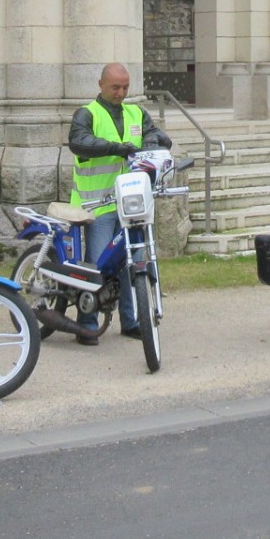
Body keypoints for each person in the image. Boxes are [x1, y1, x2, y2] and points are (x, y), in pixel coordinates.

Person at [67, 62, 171, 343]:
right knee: (97, 265)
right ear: (101, 84)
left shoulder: (136, 112)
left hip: (131, 204)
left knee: (133, 264)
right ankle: (87, 323)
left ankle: (131, 320)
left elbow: (156, 134)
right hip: (97, 204)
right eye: (115, 87)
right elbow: (78, 141)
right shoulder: (87, 113)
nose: (121, 92)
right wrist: (115, 148)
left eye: (125, 87)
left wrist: (152, 141)